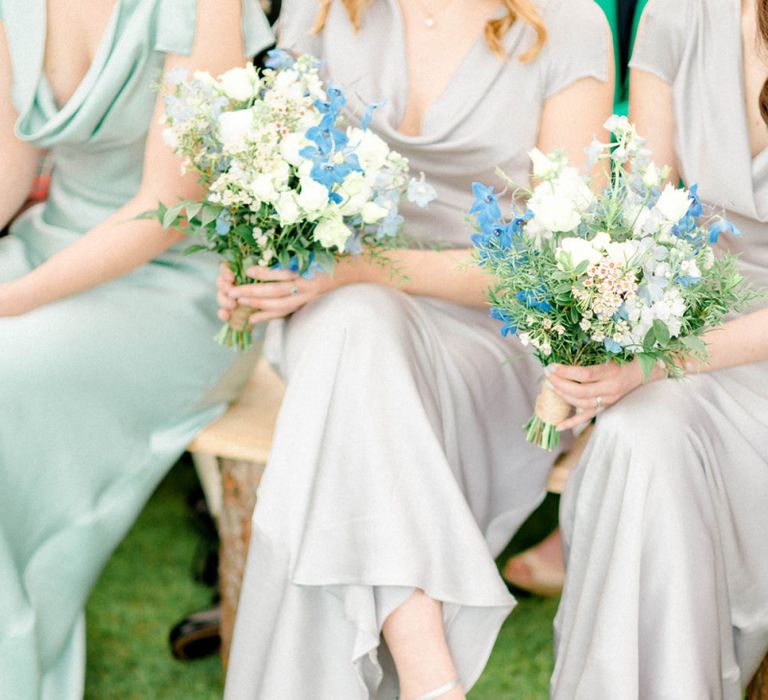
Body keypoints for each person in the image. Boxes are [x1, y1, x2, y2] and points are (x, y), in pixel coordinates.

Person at [217, 0, 614, 697]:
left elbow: (564, 262)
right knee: (358, 329)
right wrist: (254, 264)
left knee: (349, 369)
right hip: (334, 311)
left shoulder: (569, 25)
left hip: (496, 333)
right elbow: (273, 181)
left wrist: (359, 269)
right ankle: (433, 678)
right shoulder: (318, 11)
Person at [0, 1, 272, 697]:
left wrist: (14, 299)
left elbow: (168, 210)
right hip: (52, 249)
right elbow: (9, 160)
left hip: (184, 289)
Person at [550, 0, 768, 697]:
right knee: (639, 437)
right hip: (693, 327)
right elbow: (642, 212)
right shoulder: (678, 12)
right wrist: (592, 336)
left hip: (727, 358)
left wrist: (650, 364)